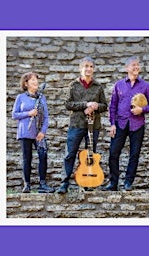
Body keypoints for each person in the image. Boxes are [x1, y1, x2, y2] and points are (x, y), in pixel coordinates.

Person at [102, 56, 149, 191]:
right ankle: (113, 183)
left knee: (134, 154)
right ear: (127, 68)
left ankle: (128, 182)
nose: (136, 67)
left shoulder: (145, 86)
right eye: (133, 65)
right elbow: (113, 106)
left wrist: (142, 110)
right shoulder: (118, 85)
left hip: (137, 124)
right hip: (120, 123)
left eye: (138, 65)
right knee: (113, 153)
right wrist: (112, 124)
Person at [56, 57, 108, 194]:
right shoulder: (73, 85)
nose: (88, 69)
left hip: (93, 126)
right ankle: (64, 184)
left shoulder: (98, 87)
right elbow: (68, 104)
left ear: (94, 69)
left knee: (90, 156)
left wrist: (95, 106)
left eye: (91, 66)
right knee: (70, 154)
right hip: (76, 125)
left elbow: (104, 106)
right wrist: (86, 105)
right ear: (81, 68)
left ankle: (88, 183)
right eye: (86, 66)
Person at [12, 72, 55, 193]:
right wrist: (28, 113)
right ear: (26, 83)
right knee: (27, 158)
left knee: (43, 155)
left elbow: (46, 117)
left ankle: (42, 184)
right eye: (32, 80)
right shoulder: (20, 97)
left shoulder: (41, 98)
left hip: (38, 133)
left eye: (36, 80)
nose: (35, 82)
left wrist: (43, 131)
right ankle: (27, 184)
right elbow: (14, 115)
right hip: (25, 132)